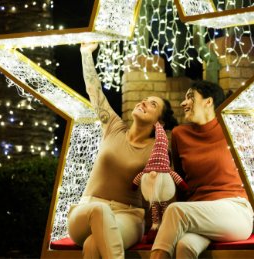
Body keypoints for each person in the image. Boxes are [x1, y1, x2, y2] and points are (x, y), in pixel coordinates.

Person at [150, 80, 254, 259]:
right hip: (197, 214)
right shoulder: (179, 134)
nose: (183, 103)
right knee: (184, 246)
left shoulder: (233, 129)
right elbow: (182, 185)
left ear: (209, 101)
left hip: (235, 211)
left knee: (176, 211)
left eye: (190, 97)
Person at [67, 42, 178, 259]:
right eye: (144, 100)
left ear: (160, 122)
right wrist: (86, 54)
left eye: (152, 105)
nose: (144, 103)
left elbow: (163, 195)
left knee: (92, 245)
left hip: (127, 216)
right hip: (88, 209)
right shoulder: (114, 127)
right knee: (100, 212)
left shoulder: (157, 150)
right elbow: (94, 91)